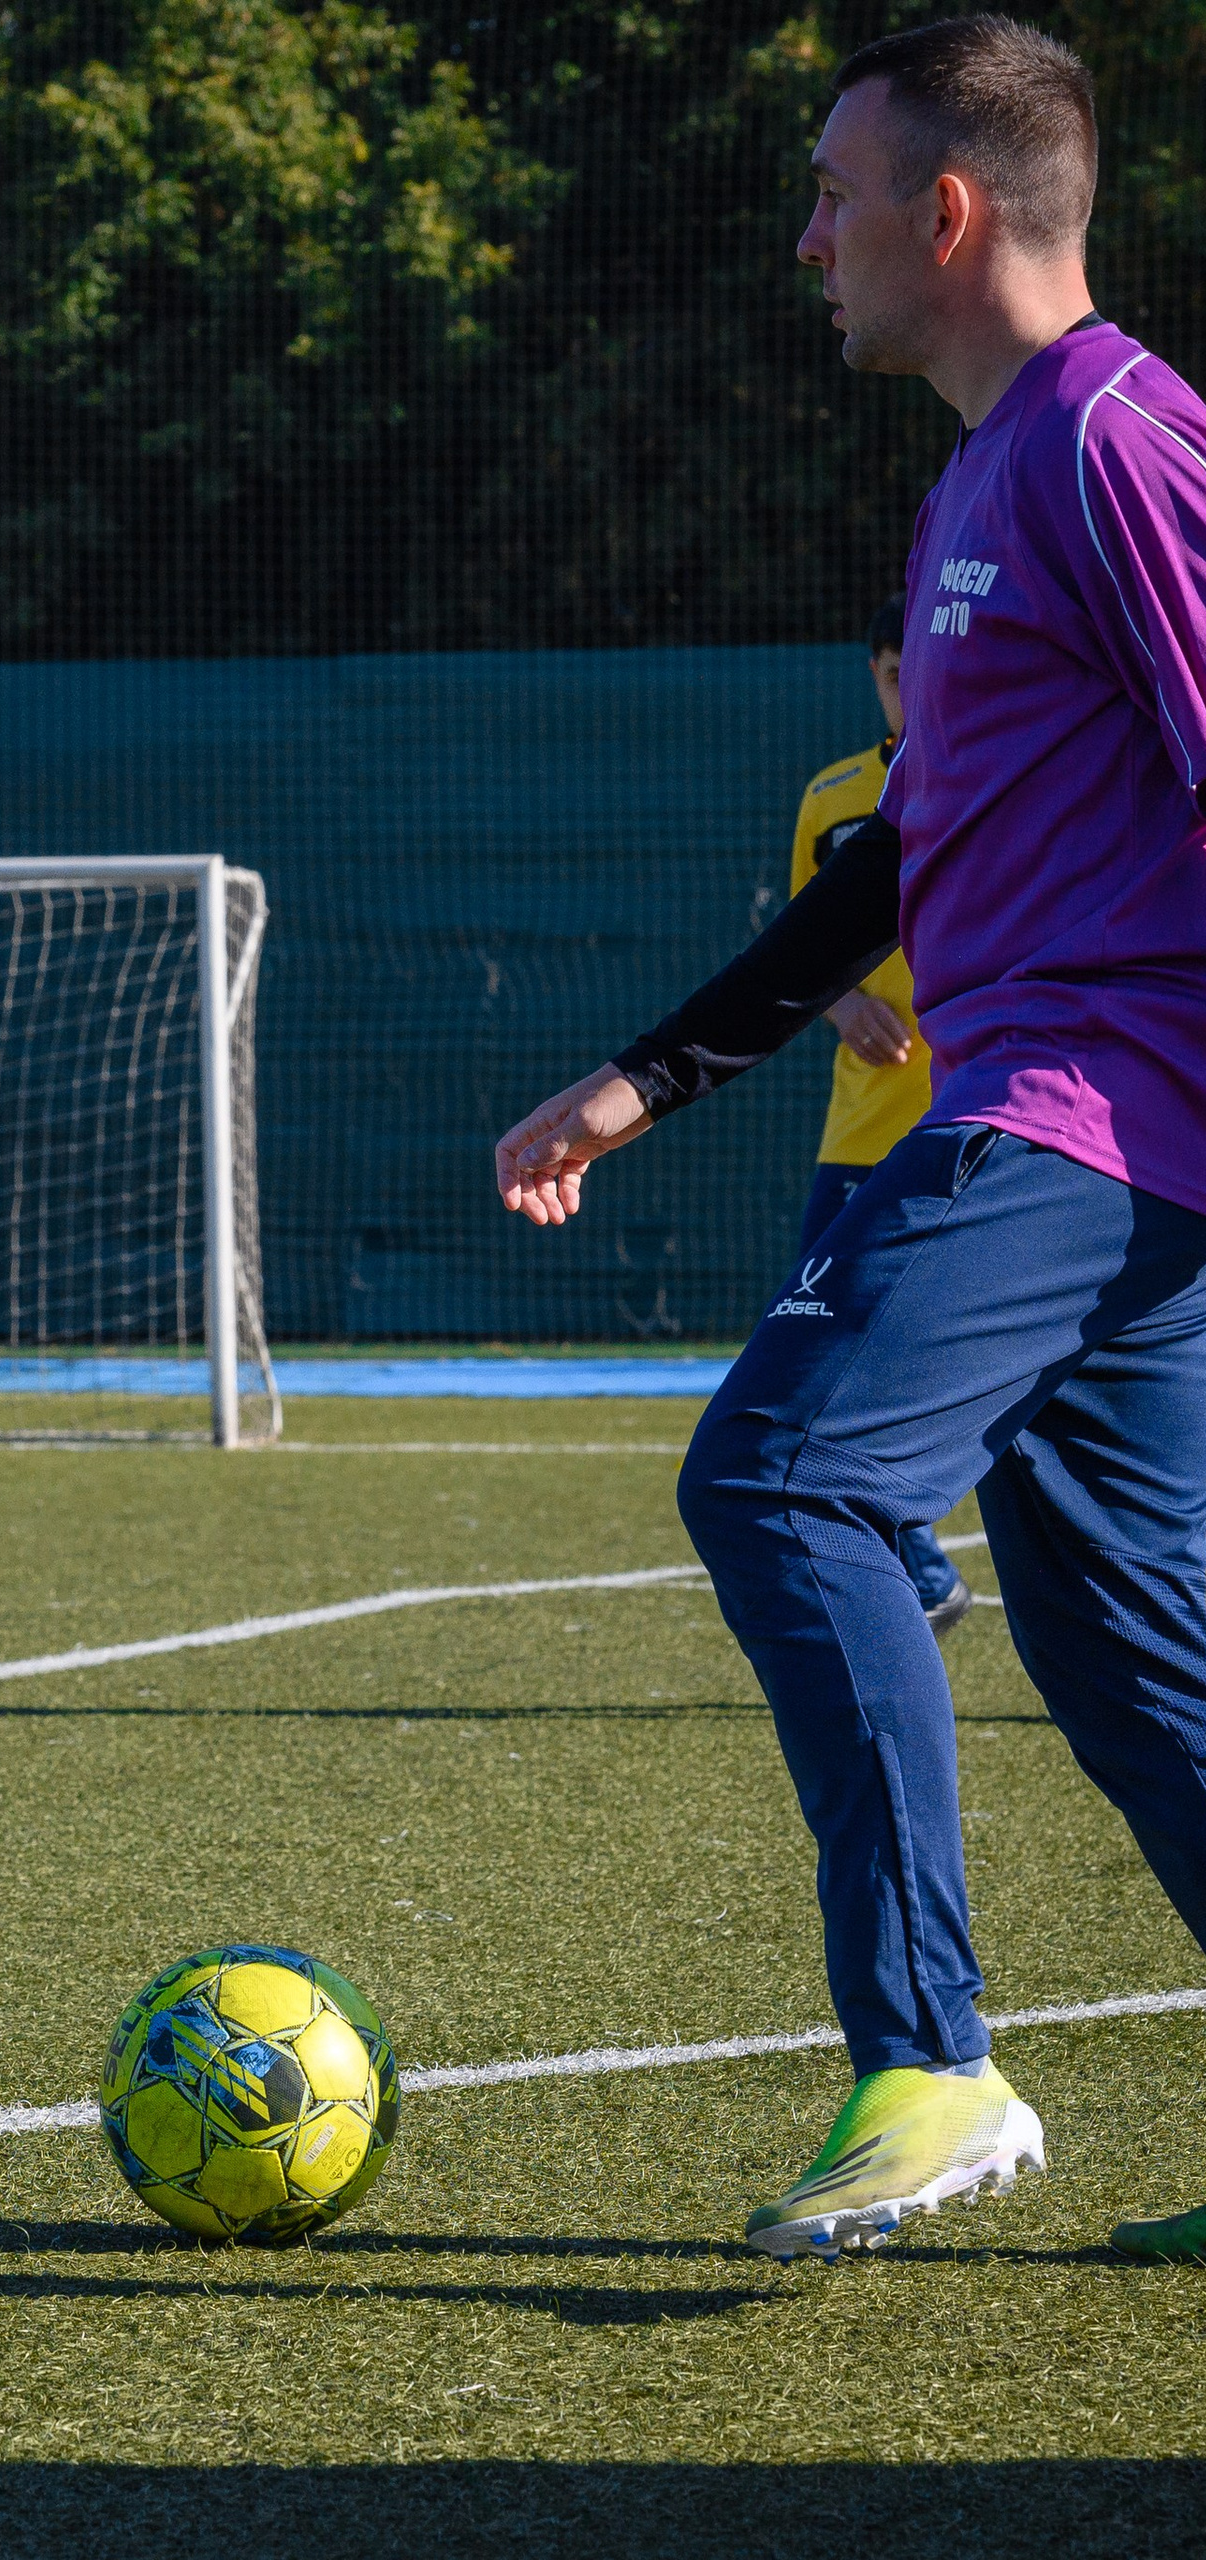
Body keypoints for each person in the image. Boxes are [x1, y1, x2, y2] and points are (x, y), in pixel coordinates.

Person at [493, 16, 1206, 2267]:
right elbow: (901, 857)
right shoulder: (964, 490)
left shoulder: (1119, 439)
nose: (801, 236)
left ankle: (925, 2052)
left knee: (784, 1475)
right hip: (1081, 1125)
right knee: (1125, 1647)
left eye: (826, 189)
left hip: (1096, 1115)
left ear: (949, 209)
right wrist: (632, 1081)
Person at [788, 595, 972, 1634]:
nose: (910, 687)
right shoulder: (832, 798)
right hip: (860, 1130)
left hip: (988, 1118)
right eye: (894, 672)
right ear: (874, 674)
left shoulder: (999, 770)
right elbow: (801, 951)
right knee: (816, 1345)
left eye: (922, 666)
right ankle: (919, 1564)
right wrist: (839, 999)